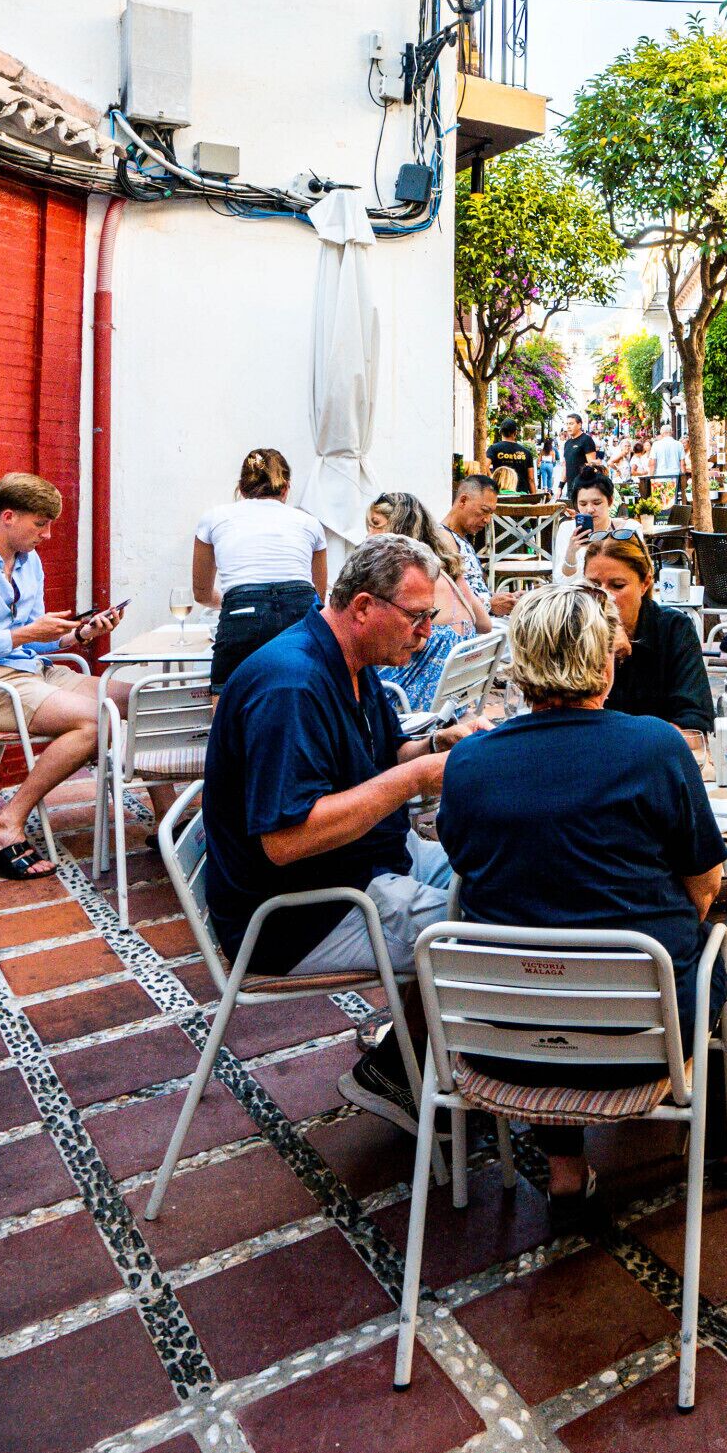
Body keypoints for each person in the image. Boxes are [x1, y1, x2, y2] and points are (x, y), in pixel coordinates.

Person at [436, 583, 727, 1201]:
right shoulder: (653, 746)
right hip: (641, 1045)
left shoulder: (468, 762)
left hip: (502, 1041)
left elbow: (465, 864)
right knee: (719, 949)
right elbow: (704, 882)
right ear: (601, 664)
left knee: (540, 949)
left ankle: (565, 1172)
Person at [199, 534, 481, 1128]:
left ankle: (404, 1065)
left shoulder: (350, 663)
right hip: (298, 913)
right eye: (418, 617)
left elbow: (383, 755)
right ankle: (421, 1075)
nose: (426, 632)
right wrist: (418, 779)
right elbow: (287, 840)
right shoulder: (293, 685)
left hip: (369, 863)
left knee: (498, 876)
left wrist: (434, 746)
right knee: (489, 927)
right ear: (362, 607)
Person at [0, 473, 127, 879]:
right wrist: (24, 634)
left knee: (132, 698)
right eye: (40, 524)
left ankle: (162, 822)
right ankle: (6, 822)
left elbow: (36, 642)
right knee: (95, 718)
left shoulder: (30, 565)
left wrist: (80, 635)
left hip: (31, 672)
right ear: (8, 516)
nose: (47, 535)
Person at [192, 448, 329, 694]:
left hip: (241, 615)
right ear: (286, 487)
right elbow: (319, 596)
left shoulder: (213, 518)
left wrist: (237, 601)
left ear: (241, 489)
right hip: (299, 610)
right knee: (304, 698)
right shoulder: (310, 523)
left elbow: (201, 593)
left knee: (227, 707)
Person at [362, 493, 488, 710]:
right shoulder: (450, 571)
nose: (369, 535)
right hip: (452, 704)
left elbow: (392, 644)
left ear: (397, 528)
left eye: (376, 525)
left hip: (410, 703)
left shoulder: (407, 580)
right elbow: (485, 625)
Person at [586, 535, 715, 745]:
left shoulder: (673, 628)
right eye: (593, 585)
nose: (603, 595)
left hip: (653, 766)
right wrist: (602, 654)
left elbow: (695, 729)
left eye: (617, 585)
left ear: (645, 583)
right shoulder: (573, 634)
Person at [442, 472, 516, 619]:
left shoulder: (460, 539)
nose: (488, 520)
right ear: (463, 501)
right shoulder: (443, 539)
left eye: (491, 514)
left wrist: (505, 599)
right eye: (484, 511)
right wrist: (490, 604)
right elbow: (447, 599)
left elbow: (471, 590)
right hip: (472, 630)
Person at [552, 466, 643, 584]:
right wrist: (571, 553)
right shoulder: (567, 529)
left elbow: (640, 574)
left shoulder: (628, 529)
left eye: (597, 503)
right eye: (583, 504)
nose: (590, 509)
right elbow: (560, 581)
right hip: (579, 599)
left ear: (610, 501)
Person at [559, 412, 598, 497]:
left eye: (571, 424)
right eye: (567, 424)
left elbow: (592, 465)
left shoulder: (586, 440)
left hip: (584, 488)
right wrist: (560, 487)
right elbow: (566, 466)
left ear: (579, 425)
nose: (568, 426)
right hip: (570, 488)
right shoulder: (567, 443)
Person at [650, 425, 686, 500]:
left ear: (661, 433)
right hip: (675, 477)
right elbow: (682, 464)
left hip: (659, 477)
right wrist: (683, 478)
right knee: (673, 500)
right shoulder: (679, 444)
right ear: (671, 432)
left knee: (661, 501)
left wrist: (651, 477)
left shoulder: (656, 444)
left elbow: (652, 464)